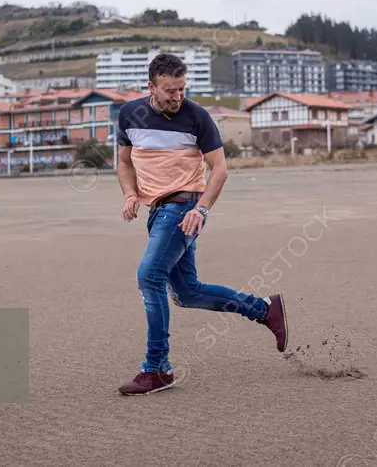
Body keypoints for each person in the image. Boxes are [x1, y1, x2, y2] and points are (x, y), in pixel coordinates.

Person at [114, 52, 288, 396]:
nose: (177, 97)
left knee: (149, 276)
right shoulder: (128, 114)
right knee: (187, 293)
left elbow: (220, 169)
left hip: (184, 208)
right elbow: (123, 162)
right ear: (151, 87)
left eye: (182, 89)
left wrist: (203, 209)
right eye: (169, 91)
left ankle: (157, 368)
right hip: (156, 211)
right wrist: (130, 194)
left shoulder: (197, 117)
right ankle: (265, 309)